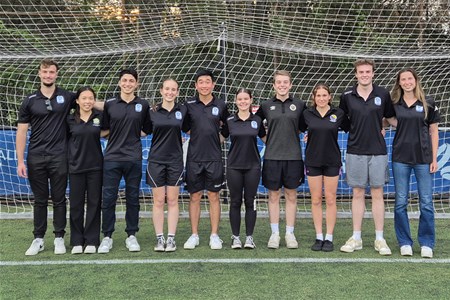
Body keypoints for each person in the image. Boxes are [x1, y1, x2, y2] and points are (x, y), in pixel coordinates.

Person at [17, 59, 76, 256]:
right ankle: (38, 239)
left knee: (59, 199)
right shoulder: (30, 100)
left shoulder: (66, 97)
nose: (48, 75)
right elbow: (22, 131)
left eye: (52, 72)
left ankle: (59, 237)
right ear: (39, 74)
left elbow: (89, 100)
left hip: (60, 156)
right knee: (40, 200)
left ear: (56, 74)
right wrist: (20, 160)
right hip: (36, 157)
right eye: (45, 72)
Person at [339, 59, 395, 255]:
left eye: (368, 71)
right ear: (356, 74)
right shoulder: (346, 96)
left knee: (378, 193)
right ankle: (356, 237)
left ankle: (380, 239)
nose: (364, 74)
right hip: (355, 150)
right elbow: (341, 121)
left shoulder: (383, 94)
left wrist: (384, 127)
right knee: (357, 193)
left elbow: (389, 118)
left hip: (378, 151)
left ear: (373, 73)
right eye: (361, 72)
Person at [98, 68, 151, 254]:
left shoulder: (143, 105)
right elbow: (103, 131)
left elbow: (147, 129)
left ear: (136, 84)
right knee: (109, 198)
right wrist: (118, 132)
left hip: (134, 158)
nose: (127, 84)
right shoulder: (110, 104)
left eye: (131, 81)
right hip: (112, 157)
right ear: (119, 82)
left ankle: (131, 235)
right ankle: (107, 236)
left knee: (133, 198)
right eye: (124, 80)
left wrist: (131, 133)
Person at [389, 68, 440, 258]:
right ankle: (405, 242)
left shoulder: (428, 103)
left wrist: (434, 158)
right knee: (400, 202)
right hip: (400, 158)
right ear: (399, 83)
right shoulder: (394, 104)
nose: (407, 82)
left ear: (415, 80)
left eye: (410, 78)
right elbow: (385, 120)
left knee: (426, 202)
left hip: (423, 159)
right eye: (403, 79)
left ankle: (427, 242)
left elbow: (434, 132)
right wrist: (382, 127)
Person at [255, 70, 306, 249]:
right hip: (272, 157)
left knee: (292, 195)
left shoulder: (299, 105)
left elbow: (305, 126)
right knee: (273, 195)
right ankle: (275, 234)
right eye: (279, 82)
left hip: (293, 157)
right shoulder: (266, 105)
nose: (282, 85)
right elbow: (255, 123)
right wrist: (266, 139)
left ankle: (290, 234)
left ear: (290, 85)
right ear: (274, 85)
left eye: (285, 82)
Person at [182, 69, 229, 250]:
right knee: (194, 196)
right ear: (196, 85)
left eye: (207, 81)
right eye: (200, 81)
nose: (204, 85)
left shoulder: (221, 104)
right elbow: (185, 127)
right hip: (194, 158)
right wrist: (198, 137)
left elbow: (227, 127)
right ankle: (194, 235)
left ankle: (214, 235)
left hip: (214, 158)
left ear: (213, 84)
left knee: (213, 196)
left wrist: (216, 139)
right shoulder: (189, 104)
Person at [302, 83, 350, 252]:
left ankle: (329, 237)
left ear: (330, 97)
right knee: (315, 199)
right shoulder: (307, 114)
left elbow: (352, 127)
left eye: (324, 95)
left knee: (330, 199)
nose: (321, 98)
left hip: (332, 160)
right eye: (318, 96)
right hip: (313, 160)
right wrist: (308, 135)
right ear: (313, 98)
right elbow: (301, 129)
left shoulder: (338, 114)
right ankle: (319, 236)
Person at [221, 88, 266, 249]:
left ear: (251, 100)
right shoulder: (230, 120)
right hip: (234, 166)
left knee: (249, 201)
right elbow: (219, 138)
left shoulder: (258, 120)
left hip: (253, 166)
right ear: (235, 101)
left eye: (246, 99)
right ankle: (235, 238)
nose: (243, 102)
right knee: (235, 201)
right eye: (240, 99)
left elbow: (267, 139)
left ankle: (249, 237)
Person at [145, 78, 186, 252]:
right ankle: (159, 238)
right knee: (159, 200)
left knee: (172, 200)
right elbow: (141, 130)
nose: (170, 92)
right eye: (167, 89)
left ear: (177, 92)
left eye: (173, 89)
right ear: (161, 91)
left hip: (176, 161)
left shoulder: (183, 110)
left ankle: (171, 239)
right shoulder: (152, 111)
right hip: (156, 160)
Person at [67, 86, 108, 254]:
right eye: (83, 98)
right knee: (76, 205)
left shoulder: (99, 117)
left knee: (94, 204)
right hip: (76, 167)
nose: (87, 101)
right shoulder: (69, 118)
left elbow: (108, 129)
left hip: (95, 167)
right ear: (77, 100)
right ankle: (77, 240)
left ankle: (91, 240)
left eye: (90, 98)